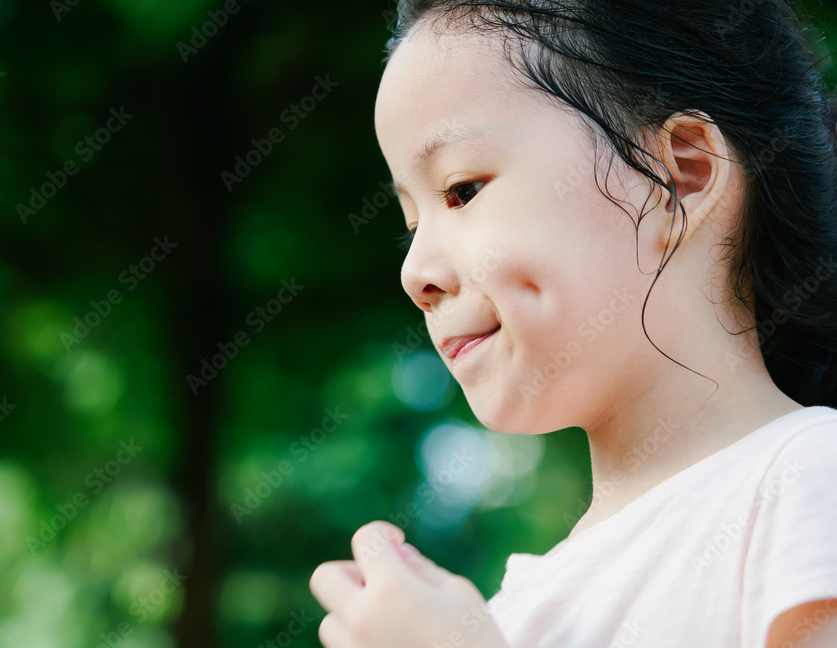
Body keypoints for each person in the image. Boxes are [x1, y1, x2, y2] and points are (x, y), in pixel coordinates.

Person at [309, 1, 837, 647]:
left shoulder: (808, 481)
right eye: (412, 225)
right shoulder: (513, 609)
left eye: (463, 190)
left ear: (680, 177)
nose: (415, 272)